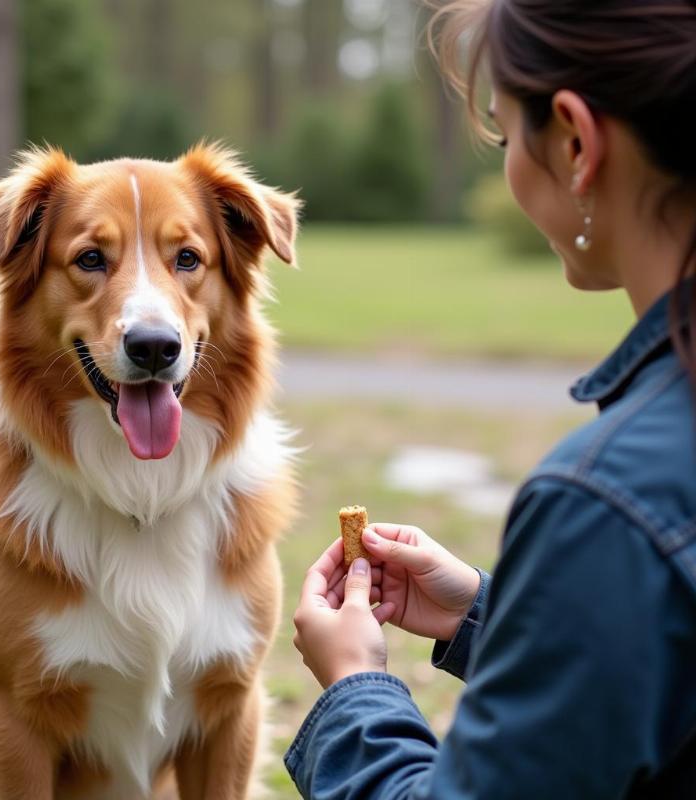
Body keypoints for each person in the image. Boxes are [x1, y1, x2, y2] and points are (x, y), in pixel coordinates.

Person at [285, 1, 696, 797]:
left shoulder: (608, 505)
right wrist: (492, 617)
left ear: (576, 143)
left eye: (508, 136)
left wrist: (351, 690)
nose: (507, 168)